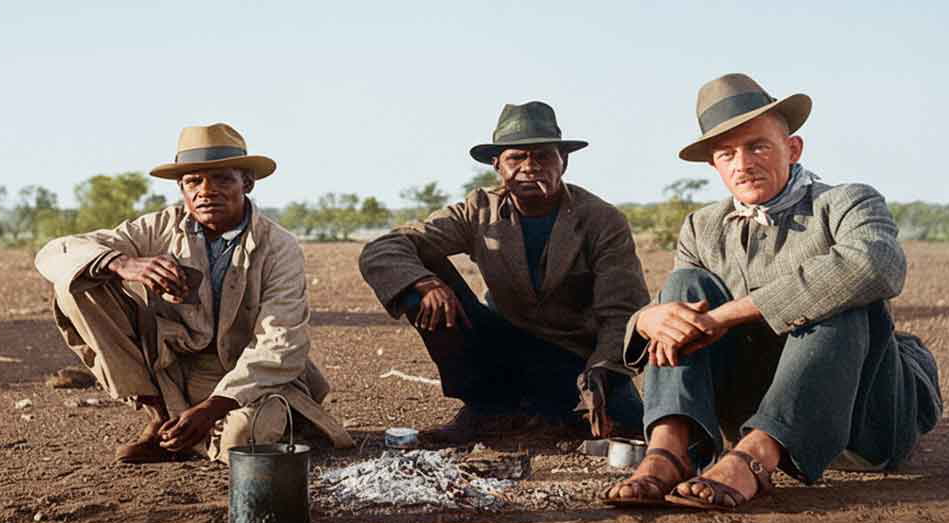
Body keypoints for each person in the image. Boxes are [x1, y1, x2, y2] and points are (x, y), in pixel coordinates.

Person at [603, 74, 943, 509]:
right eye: (727, 154)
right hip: (756, 402)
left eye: (757, 146)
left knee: (838, 299)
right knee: (683, 290)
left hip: (865, 416)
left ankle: (756, 459)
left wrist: (727, 316)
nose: (742, 164)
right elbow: (681, 314)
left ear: (793, 149)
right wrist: (647, 319)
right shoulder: (701, 227)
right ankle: (668, 450)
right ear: (715, 167)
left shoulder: (846, 202)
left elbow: (876, 266)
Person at [35, 123, 354, 464]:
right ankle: (160, 420)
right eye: (194, 181)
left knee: (242, 443)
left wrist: (212, 409)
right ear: (181, 188)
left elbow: (280, 343)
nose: (206, 191)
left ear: (246, 183)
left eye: (222, 179)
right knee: (78, 284)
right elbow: (55, 252)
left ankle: (201, 433)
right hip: (174, 371)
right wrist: (122, 262)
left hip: (245, 378)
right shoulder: (158, 228)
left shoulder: (279, 246)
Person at [359, 101, 650, 445]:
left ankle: (543, 411)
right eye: (517, 158)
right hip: (500, 346)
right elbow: (383, 247)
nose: (530, 167)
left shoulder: (602, 220)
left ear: (564, 162)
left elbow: (622, 313)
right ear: (497, 165)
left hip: (575, 361)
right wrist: (424, 282)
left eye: (542, 156)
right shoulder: (478, 208)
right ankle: (486, 407)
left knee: (631, 424)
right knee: (412, 272)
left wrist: (603, 370)